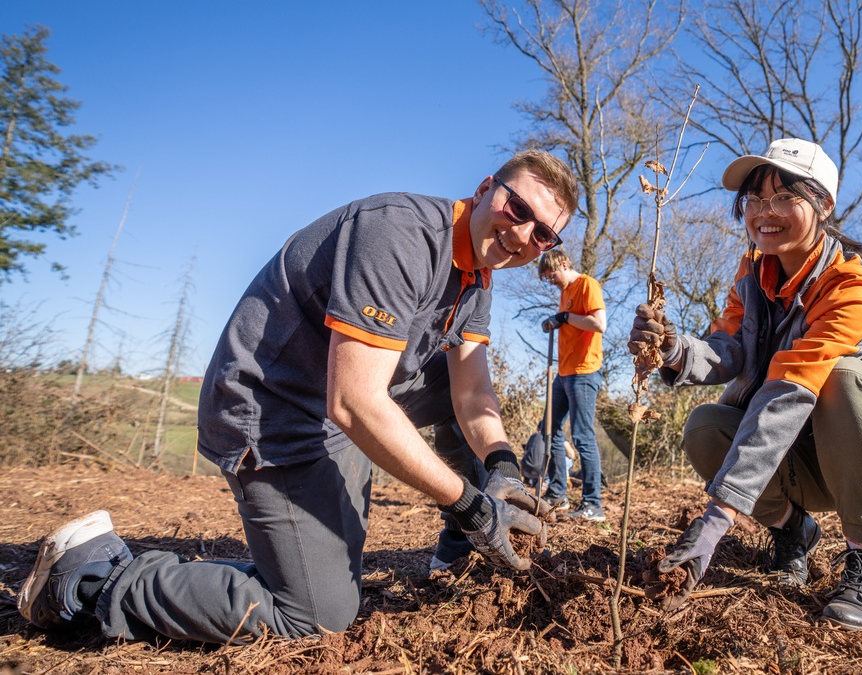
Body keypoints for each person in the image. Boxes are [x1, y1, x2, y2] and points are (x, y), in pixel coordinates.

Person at [18, 150, 579, 644]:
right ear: (485, 190)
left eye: (544, 233)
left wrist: (501, 466)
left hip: (337, 396)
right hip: (272, 409)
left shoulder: (478, 275)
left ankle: (462, 553)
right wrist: (469, 503)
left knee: (450, 397)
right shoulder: (402, 233)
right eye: (518, 208)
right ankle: (98, 578)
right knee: (318, 612)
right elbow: (355, 402)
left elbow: (472, 389)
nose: (525, 234)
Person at [629, 138, 862, 632]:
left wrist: (718, 516)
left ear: (824, 204)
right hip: (800, 457)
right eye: (753, 200)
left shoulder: (852, 287)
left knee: (841, 377)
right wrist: (670, 348)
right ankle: (794, 532)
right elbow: (726, 346)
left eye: (781, 198)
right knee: (707, 425)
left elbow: (791, 388)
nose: (763, 213)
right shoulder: (752, 271)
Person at [538, 249, 607, 521]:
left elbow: (599, 323)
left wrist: (565, 318)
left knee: (582, 435)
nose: (550, 281)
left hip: (584, 371)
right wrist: (556, 321)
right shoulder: (564, 293)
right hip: (564, 372)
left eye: (551, 275)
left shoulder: (587, 285)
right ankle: (558, 493)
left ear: (564, 264)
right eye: (546, 278)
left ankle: (593, 504)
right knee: (549, 428)